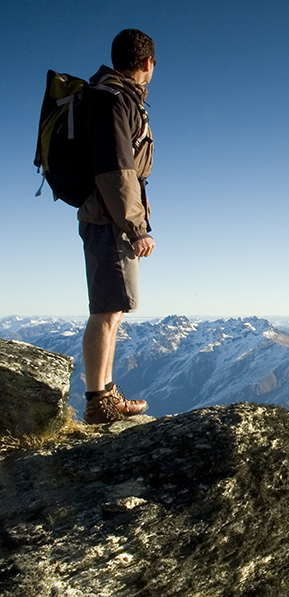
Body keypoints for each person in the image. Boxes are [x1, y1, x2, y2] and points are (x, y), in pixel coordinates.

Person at [78, 29, 156, 424]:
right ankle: (98, 401)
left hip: (106, 216)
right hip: (110, 219)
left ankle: (106, 392)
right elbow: (118, 171)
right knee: (107, 309)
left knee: (114, 308)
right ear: (147, 63)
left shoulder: (110, 95)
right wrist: (136, 227)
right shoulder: (114, 99)